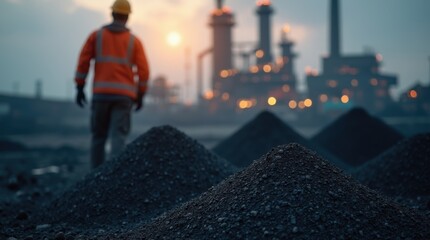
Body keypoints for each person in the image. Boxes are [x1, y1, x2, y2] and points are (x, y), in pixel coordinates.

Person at [74, 0, 150, 168]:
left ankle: (95, 177)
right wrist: (141, 94)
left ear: (112, 14)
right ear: (128, 17)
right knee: (118, 136)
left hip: (101, 94)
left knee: (98, 137)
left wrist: (80, 86)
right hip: (124, 97)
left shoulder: (96, 36)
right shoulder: (134, 41)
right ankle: (114, 176)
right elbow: (144, 71)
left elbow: (83, 61)